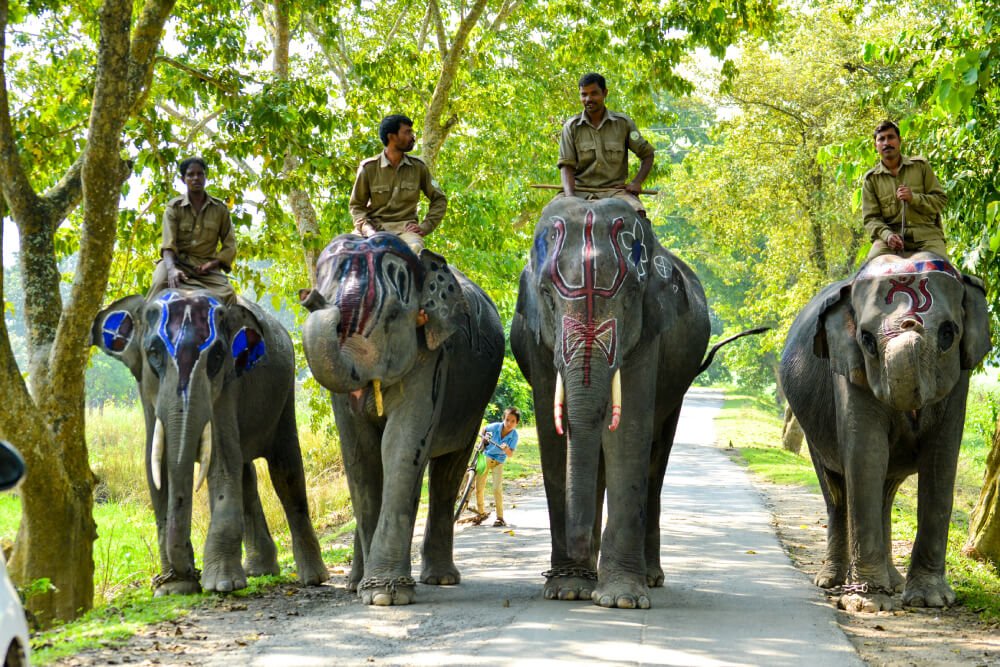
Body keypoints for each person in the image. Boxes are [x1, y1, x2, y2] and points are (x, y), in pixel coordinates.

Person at [558, 73, 655, 217]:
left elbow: (647, 154)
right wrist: (571, 199)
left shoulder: (623, 123)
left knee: (639, 215)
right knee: (550, 217)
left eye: (594, 93)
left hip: (616, 193)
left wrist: (636, 182)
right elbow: (566, 166)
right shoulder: (571, 127)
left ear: (605, 93)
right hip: (579, 192)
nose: (588, 99)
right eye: (583, 94)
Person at [349, 114, 447, 254]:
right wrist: (367, 229)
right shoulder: (368, 168)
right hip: (371, 230)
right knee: (343, 253)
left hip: (405, 232)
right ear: (392, 137)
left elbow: (440, 199)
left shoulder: (419, 167)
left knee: (415, 253)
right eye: (407, 132)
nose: (413, 137)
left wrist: (425, 227)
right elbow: (357, 206)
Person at [149, 156, 237, 304]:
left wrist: (212, 264)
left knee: (229, 294)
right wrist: (171, 270)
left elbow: (230, 245)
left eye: (200, 174)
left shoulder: (220, 209)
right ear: (183, 179)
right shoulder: (174, 207)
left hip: (207, 268)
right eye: (190, 174)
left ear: (205, 177)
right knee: (158, 285)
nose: (196, 178)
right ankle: (142, 324)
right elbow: (168, 245)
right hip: (176, 263)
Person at [862, 120, 948, 259]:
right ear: (875, 146)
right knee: (869, 273)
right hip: (889, 241)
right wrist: (888, 235)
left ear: (899, 141)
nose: (886, 143)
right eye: (881, 139)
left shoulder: (921, 166)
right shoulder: (871, 179)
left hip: (927, 236)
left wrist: (913, 198)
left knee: (940, 270)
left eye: (891, 137)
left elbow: (940, 200)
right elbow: (871, 219)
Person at [473, 407, 521, 527]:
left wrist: (506, 449)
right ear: (503, 419)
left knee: (496, 489)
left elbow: (510, 454)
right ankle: (481, 513)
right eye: (507, 420)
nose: (509, 423)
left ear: (517, 423)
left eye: (513, 421)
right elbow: (485, 430)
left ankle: (500, 517)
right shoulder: (494, 427)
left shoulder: (514, 436)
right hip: (485, 458)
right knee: (479, 487)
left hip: (498, 462)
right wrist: (484, 440)